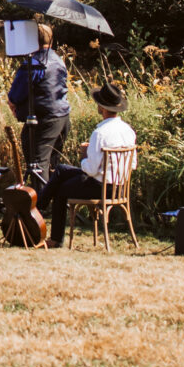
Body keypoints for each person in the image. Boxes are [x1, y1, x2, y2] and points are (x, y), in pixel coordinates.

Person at [42, 84, 138, 247]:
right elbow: (133, 164)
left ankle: (54, 236)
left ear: (101, 106)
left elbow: (91, 170)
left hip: (100, 186)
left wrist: (84, 156)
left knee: (61, 189)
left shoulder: (100, 133)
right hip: (120, 186)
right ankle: (39, 208)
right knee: (61, 170)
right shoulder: (128, 130)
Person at [8, 20, 70, 192]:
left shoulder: (35, 64)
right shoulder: (58, 60)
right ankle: (54, 201)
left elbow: (16, 94)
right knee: (53, 163)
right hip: (63, 116)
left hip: (44, 119)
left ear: (31, 40)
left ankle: (41, 206)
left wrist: (13, 104)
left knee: (38, 163)